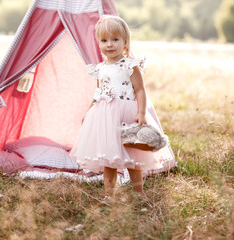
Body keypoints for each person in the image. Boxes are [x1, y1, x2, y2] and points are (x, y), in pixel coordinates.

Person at [70, 15, 176, 199]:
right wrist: (88, 111)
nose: (109, 44)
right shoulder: (100, 68)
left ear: (125, 41)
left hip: (127, 113)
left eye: (115, 39)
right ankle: (109, 195)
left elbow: (140, 91)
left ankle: (138, 192)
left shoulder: (130, 66)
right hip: (104, 115)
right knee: (108, 158)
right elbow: (98, 93)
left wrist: (141, 113)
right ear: (98, 43)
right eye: (104, 40)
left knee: (133, 158)